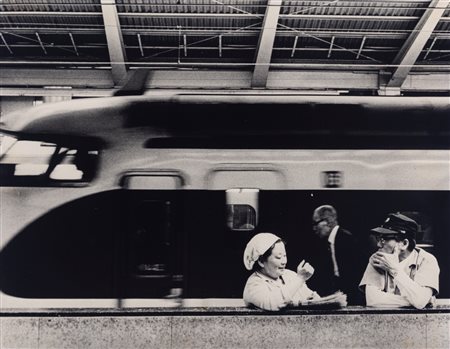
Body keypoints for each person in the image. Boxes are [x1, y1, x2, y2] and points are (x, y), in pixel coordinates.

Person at [359, 213, 440, 309]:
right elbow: (373, 300)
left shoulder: (427, 260)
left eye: (384, 239)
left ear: (404, 243)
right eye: (379, 238)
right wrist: (416, 301)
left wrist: (394, 269)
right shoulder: (379, 258)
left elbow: (419, 301)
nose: (378, 245)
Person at [243, 232, 320, 311]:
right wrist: (300, 279)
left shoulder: (290, 275)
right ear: (261, 261)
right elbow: (274, 304)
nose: (284, 261)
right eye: (278, 257)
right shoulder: (253, 285)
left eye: (284, 256)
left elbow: (313, 299)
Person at [308, 205, 364, 305]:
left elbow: (354, 275)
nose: (314, 228)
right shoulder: (330, 242)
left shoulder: (347, 240)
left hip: (353, 298)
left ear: (328, 222)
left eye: (315, 223)